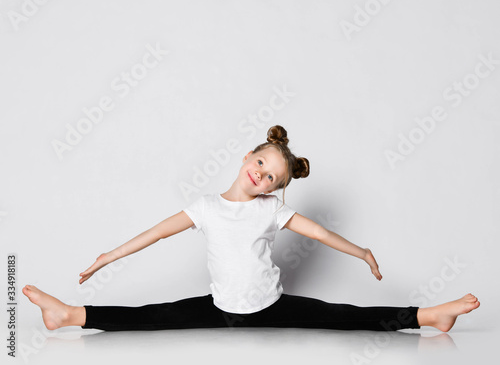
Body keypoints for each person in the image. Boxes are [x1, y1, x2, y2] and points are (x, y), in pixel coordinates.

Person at [23, 125, 480, 332]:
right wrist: (108, 256)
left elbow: (319, 233)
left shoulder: (269, 212)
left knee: (344, 316)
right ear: (247, 157)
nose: (261, 176)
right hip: (220, 307)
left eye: (272, 179)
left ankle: (429, 315)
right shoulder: (205, 207)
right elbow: (158, 232)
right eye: (260, 164)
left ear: (275, 190)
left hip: (270, 306)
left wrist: (361, 252)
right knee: (153, 316)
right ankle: (67, 314)